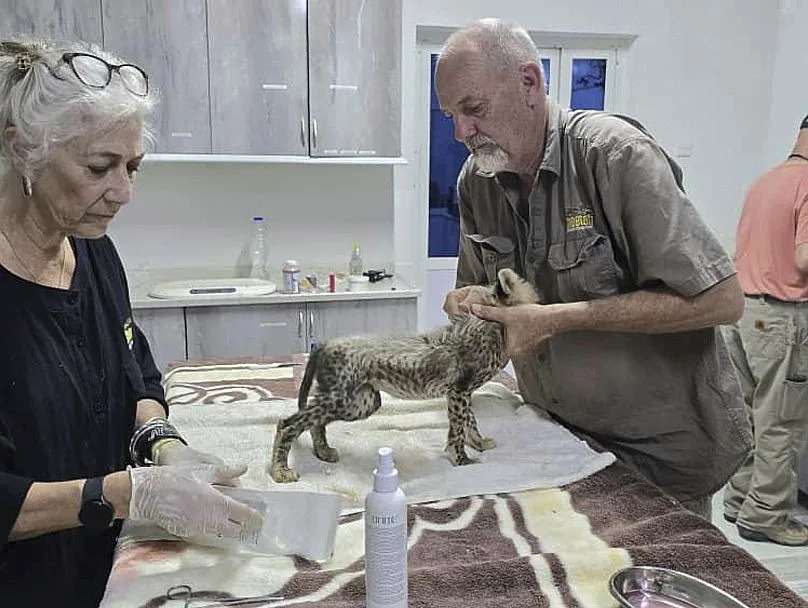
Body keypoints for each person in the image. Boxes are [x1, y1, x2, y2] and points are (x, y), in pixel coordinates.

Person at [435, 18, 752, 519]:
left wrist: (559, 318)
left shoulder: (616, 155)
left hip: (656, 458)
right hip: (558, 443)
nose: (460, 133)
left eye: (473, 109)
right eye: (451, 115)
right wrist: (466, 303)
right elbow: (475, 289)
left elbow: (721, 300)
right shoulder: (477, 181)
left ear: (529, 83)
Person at [0, 39, 263, 606]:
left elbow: (134, 373)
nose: (123, 193)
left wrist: (160, 441)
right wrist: (129, 493)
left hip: (101, 570)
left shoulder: (93, 251)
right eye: (100, 167)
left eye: (133, 167)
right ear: (22, 150)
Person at [720, 116, 808, 546]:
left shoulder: (766, 181)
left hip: (743, 310)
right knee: (781, 421)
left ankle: (739, 499)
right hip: (781, 318)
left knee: (749, 416)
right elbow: (804, 257)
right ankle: (767, 514)